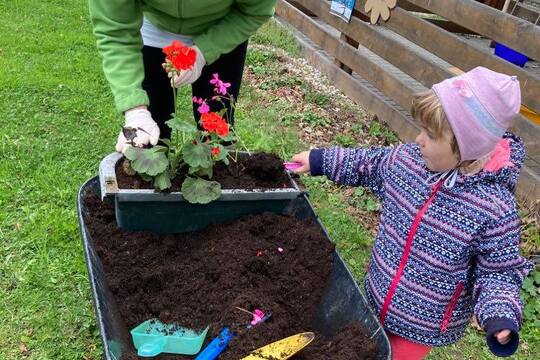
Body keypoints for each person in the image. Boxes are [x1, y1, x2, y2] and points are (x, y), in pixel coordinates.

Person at [290, 67, 533, 359]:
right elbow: (366, 164)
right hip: (376, 296)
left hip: (422, 326)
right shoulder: (407, 161)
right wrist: (319, 160)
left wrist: (500, 314)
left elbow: (499, 272)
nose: (419, 139)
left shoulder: (495, 209)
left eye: (430, 134)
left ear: (467, 146)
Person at [88, 0, 276, 153]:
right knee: (150, 133)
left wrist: (204, 51)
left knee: (216, 129)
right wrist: (134, 110)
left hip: (223, 28)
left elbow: (255, 11)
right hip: (154, 28)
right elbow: (114, 31)